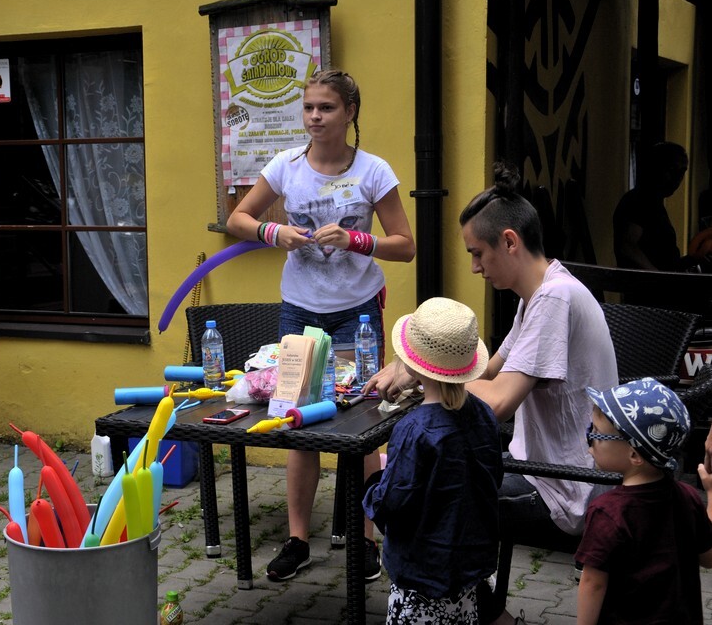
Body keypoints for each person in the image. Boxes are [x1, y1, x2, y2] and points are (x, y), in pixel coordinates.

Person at [366, 161, 619, 625]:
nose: (474, 267)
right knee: (422, 479)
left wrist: (421, 374)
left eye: (478, 253)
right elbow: (485, 369)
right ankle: (481, 611)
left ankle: (449, 609)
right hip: (537, 466)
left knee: (427, 497)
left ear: (510, 241)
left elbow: (498, 401)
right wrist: (420, 363)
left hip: (564, 487)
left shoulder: (553, 298)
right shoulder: (538, 293)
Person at [225, 69, 416, 582]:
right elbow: (238, 219)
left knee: (362, 424)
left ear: (350, 113)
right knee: (299, 422)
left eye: (326, 108)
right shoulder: (286, 165)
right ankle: (297, 541)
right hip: (300, 311)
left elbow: (405, 245)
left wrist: (356, 240)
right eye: (308, 107)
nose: (314, 116)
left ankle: (365, 539)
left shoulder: (374, 171)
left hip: (357, 314)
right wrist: (273, 232)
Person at [362, 297, 502, 624]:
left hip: (420, 571)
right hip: (468, 564)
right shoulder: (484, 415)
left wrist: (371, 491)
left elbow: (393, 503)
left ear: (413, 366)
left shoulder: (413, 429)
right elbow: (492, 478)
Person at [576, 378, 712, 625]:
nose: (590, 438)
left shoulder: (608, 512)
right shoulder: (688, 496)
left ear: (634, 454)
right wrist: (711, 494)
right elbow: (709, 559)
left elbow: (593, 583)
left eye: (596, 433)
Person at [613, 141, 690, 272]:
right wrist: (659, 277)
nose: (677, 178)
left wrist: (693, 259)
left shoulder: (655, 204)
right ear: (656, 168)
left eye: (682, 172)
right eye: (672, 170)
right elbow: (627, 246)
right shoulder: (639, 200)